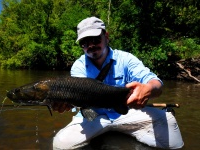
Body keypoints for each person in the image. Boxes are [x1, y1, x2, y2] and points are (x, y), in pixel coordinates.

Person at [52, 16, 184, 149]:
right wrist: (66, 103)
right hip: (92, 117)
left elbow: (155, 83)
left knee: (169, 124)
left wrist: (148, 88)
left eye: (95, 39)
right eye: (84, 43)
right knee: (60, 145)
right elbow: (78, 100)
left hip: (126, 112)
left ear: (107, 37)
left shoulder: (126, 59)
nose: (91, 45)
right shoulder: (78, 66)